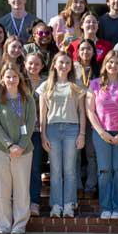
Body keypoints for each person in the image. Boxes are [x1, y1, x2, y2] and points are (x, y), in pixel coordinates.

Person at [0, 62, 37, 234]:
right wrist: (9, 145)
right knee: (3, 187)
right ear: (2, 78)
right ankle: (2, 225)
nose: (11, 79)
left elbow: (31, 123)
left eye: (14, 76)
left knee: (22, 188)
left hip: (24, 150)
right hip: (0, 149)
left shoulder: (28, 99)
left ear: (19, 78)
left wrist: (21, 146)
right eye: (8, 76)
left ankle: (19, 226)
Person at [38, 52, 86, 218]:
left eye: (67, 62)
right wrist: (43, 135)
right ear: (55, 64)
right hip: (52, 129)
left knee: (69, 169)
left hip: (72, 129)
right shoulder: (46, 86)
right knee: (55, 170)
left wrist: (82, 134)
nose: (64, 65)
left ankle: (69, 204)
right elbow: (42, 114)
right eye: (61, 62)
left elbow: (82, 112)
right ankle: (56, 205)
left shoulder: (77, 85)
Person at [87, 51, 118, 220]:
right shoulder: (95, 84)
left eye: (116, 63)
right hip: (101, 133)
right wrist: (100, 131)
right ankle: (106, 206)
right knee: (105, 171)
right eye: (110, 62)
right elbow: (90, 111)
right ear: (105, 64)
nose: (113, 66)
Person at [73, 38, 100, 196]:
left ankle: (91, 185)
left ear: (93, 52)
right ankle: (77, 185)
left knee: (91, 153)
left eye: (89, 49)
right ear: (77, 52)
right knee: (75, 154)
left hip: (93, 116)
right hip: (74, 115)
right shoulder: (72, 68)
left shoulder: (99, 69)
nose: (85, 52)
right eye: (82, 49)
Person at [24, 52, 46, 217]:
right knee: (19, 169)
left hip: (38, 131)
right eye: (30, 63)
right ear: (25, 64)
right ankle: (20, 202)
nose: (33, 67)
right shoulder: (18, 81)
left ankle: (34, 202)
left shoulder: (46, 82)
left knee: (35, 168)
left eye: (37, 64)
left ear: (42, 66)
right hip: (19, 132)